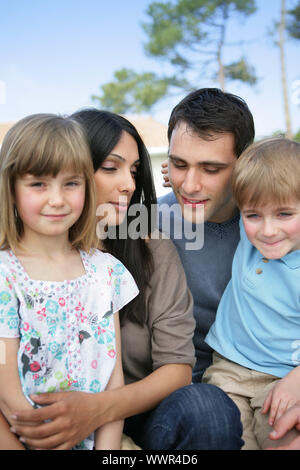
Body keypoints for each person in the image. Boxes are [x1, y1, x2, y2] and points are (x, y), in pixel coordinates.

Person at [7, 109, 243, 450]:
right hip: (37, 412)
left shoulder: (146, 246)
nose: (129, 184)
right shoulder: (14, 263)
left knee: (207, 408)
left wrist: (96, 411)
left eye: (134, 170)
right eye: (110, 167)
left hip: (138, 408)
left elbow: (176, 369)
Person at [0, 113, 139, 450]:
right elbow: (6, 390)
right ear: (11, 189)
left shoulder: (106, 272)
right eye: (38, 184)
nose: (57, 199)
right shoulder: (6, 275)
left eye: (71, 183)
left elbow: (113, 378)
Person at [203, 138, 300, 450]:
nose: (268, 230)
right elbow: (208, 193)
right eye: (254, 215)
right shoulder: (250, 238)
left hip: (284, 380)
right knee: (228, 438)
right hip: (229, 369)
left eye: (285, 214)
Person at [159, 88, 255, 382]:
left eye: (210, 169)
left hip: (266, 376)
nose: (189, 185)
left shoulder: (275, 226)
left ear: (244, 164)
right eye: (179, 164)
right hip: (178, 388)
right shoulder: (148, 223)